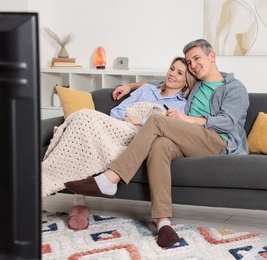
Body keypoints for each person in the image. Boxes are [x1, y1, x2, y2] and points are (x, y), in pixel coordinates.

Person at [64, 39, 249, 247]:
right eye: (189, 62)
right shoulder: (195, 85)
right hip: (188, 138)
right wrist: (130, 86)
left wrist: (188, 119)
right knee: (160, 145)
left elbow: (229, 121)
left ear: (212, 56)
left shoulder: (233, 87)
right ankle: (163, 223)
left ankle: (110, 179)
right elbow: (157, 84)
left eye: (196, 58)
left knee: (157, 121)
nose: (193, 65)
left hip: (217, 140)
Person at [42, 56, 195, 230]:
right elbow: (118, 111)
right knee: (82, 117)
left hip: (140, 138)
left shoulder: (181, 106)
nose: (172, 74)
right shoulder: (147, 90)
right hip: (120, 126)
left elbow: (168, 128)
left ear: (187, 82)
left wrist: (143, 121)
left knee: (85, 116)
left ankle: (78, 201)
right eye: (172, 68)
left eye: (179, 73)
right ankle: (73, 198)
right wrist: (131, 119)